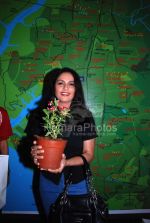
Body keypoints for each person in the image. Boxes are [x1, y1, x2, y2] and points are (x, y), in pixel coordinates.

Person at [30, 67, 98, 221]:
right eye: (61, 83)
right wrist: (34, 153)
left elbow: (89, 154)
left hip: (77, 182)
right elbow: (36, 147)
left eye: (71, 84)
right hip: (47, 182)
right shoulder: (41, 115)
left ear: (76, 89)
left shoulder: (85, 117)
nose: (65, 88)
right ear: (54, 87)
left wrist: (66, 162)